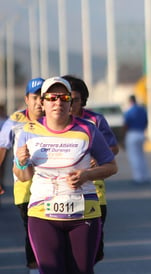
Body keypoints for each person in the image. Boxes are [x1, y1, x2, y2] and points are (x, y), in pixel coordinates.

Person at [13, 76, 117, 274]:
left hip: (84, 213)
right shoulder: (28, 131)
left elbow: (111, 166)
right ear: (42, 102)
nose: (57, 102)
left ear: (71, 102)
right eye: (52, 98)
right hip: (42, 213)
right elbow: (23, 176)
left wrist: (87, 175)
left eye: (63, 98)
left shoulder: (88, 129)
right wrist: (21, 161)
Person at [62, 74, 119, 263]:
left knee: (92, 253)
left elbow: (113, 148)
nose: (70, 104)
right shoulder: (51, 122)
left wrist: (96, 157)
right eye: (66, 98)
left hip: (94, 194)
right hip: (57, 195)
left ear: (83, 100)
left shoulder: (96, 120)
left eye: (75, 99)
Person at [0, 77, 45, 273]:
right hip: (25, 187)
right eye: (35, 97)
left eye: (43, 97)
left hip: (54, 186)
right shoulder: (15, 121)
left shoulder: (56, 119)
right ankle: (34, 268)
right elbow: (2, 147)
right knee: (33, 231)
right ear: (27, 99)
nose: (39, 102)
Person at [123, 94, 150, 184]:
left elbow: (126, 124)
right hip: (141, 133)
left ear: (130, 101)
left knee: (134, 156)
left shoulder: (129, 111)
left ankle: (138, 177)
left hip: (132, 133)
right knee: (141, 156)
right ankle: (145, 175)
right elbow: (146, 122)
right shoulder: (142, 110)